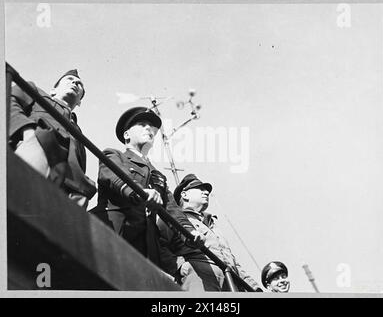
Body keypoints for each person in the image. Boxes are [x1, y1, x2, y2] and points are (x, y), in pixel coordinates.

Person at [91, 107, 203, 287]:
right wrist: (139, 192)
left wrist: (189, 232)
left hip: (146, 246)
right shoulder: (114, 154)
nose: (149, 129)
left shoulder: (158, 175)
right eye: (142, 124)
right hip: (114, 233)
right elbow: (112, 175)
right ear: (126, 134)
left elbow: (173, 210)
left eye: (152, 127)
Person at [157, 174, 262, 291]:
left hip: (231, 283)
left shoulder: (213, 225)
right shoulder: (174, 220)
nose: (206, 192)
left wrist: (252, 285)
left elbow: (231, 261)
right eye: (200, 189)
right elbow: (159, 245)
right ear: (184, 194)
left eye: (206, 190)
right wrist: (181, 267)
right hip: (200, 277)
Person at [8, 69, 96, 209]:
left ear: (79, 102)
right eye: (69, 79)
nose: (75, 82)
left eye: (79, 84)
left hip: (70, 187)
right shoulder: (35, 91)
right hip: (37, 156)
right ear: (53, 90)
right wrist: (28, 133)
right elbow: (8, 99)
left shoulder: (78, 132)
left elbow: (80, 162)